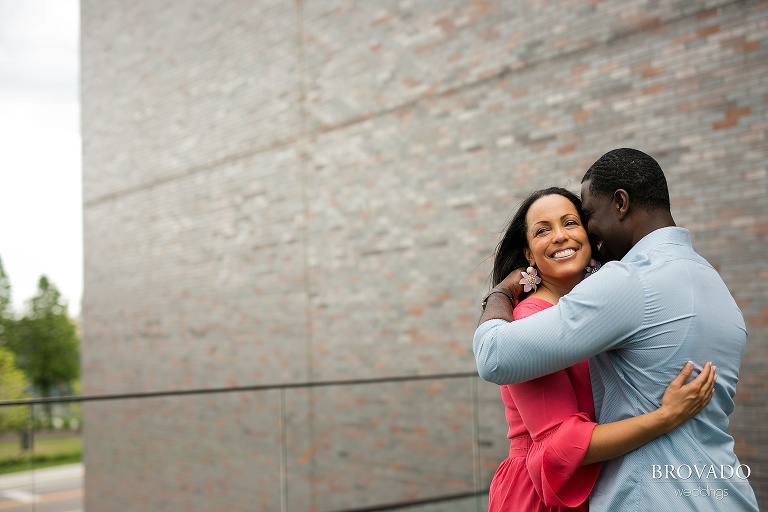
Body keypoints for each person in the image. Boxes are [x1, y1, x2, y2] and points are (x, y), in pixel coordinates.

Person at [474, 149, 759, 511]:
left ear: (620, 203)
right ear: (529, 252)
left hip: (655, 497)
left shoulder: (628, 282)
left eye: (583, 217)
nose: (587, 233)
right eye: (544, 230)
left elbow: (492, 355)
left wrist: (499, 293)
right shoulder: (715, 286)